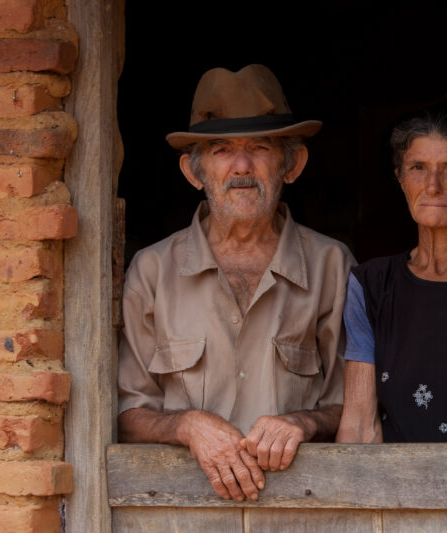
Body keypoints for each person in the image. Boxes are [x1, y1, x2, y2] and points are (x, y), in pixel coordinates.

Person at [117, 65, 354, 502]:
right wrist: (187, 425)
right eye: (222, 149)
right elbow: (128, 412)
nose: (241, 166)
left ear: (292, 163)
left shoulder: (332, 266)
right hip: (180, 515)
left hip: (305, 510)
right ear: (194, 172)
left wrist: (303, 422)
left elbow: (356, 407)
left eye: (260, 147)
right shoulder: (151, 270)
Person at [335, 101, 447, 443]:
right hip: (399, 492)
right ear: (401, 181)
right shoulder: (371, 285)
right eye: (417, 167)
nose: (432, 186)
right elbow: (359, 424)